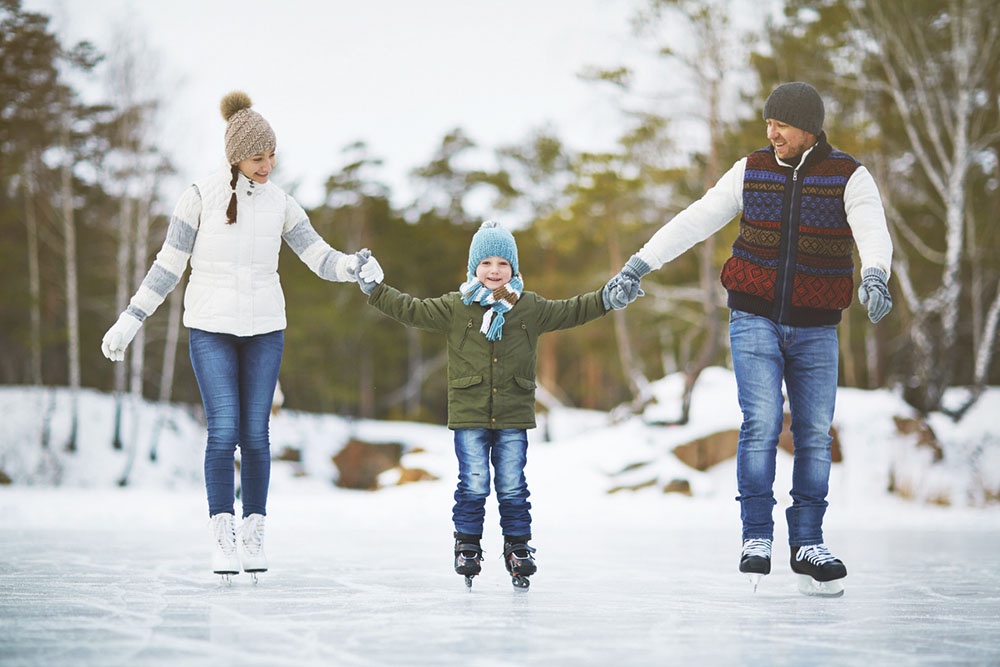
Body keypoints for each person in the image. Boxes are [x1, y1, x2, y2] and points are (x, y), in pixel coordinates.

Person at [608, 82, 893, 596]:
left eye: (780, 124)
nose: (771, 132)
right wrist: (639, 264)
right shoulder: (752, 169)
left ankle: (807, 541)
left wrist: (875, 274)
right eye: (768, 123)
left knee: (813, 433)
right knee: (761, 421)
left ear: (808, 127)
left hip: (817, 324)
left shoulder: (849, 175)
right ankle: (757, 535)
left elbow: (872, 229)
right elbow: (697, 218)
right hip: (753, 316)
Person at [100, 91, 379, 581]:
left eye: (272, 154)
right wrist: (130, 319)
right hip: (211, 330)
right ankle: (222, 536)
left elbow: (320, 258)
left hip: (265, 330)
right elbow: (168, 266)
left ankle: (254, 533)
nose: (267, 164)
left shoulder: (281, 204)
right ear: (235, 156)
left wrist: (355, 266)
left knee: (257, 435)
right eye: (257, 156)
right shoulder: (198, 196)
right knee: (223, 428)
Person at [353, 221, 626, 590]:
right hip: (469, 413)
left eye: (502, 263)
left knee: (513, 484)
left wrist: (607, 298)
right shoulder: (456, 307)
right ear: (473, 269)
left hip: (513, 413)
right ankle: (467, 543)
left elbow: (573, 310)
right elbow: (411, 309)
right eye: (486, 263)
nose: (494, 270)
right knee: (475, 481)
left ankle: (518, 548)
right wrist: (375, 290)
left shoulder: (530, 307)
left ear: (514, 269)